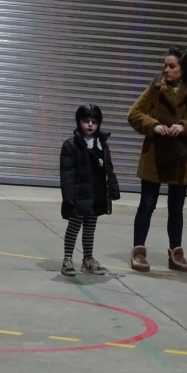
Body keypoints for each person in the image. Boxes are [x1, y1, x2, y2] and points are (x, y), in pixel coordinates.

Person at [127, 46, 187, 273]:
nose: (166, 69)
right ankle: (139, 251)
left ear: (184, 69)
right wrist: (154, 125)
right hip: (155, 155)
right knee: (147, 204)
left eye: (172, 66)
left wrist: (184, 126)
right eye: (165, 65)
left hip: (181, 157)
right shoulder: (155, 87)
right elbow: (133, 114)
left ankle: (176, 253)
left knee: (176, 208)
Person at [59, 104, 120, 276]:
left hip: (97, 193)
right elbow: (67, 173)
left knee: (90, 227)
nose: (90, 125)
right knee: (74, 225)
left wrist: (112, 190)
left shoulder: (102, 144)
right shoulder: (71, 145)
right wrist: (69, 196)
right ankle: (68, 259)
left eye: (94, 121)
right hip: (79, 194)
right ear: (79, 122)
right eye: (86, 121)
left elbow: (108, 168)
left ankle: (88, 259)